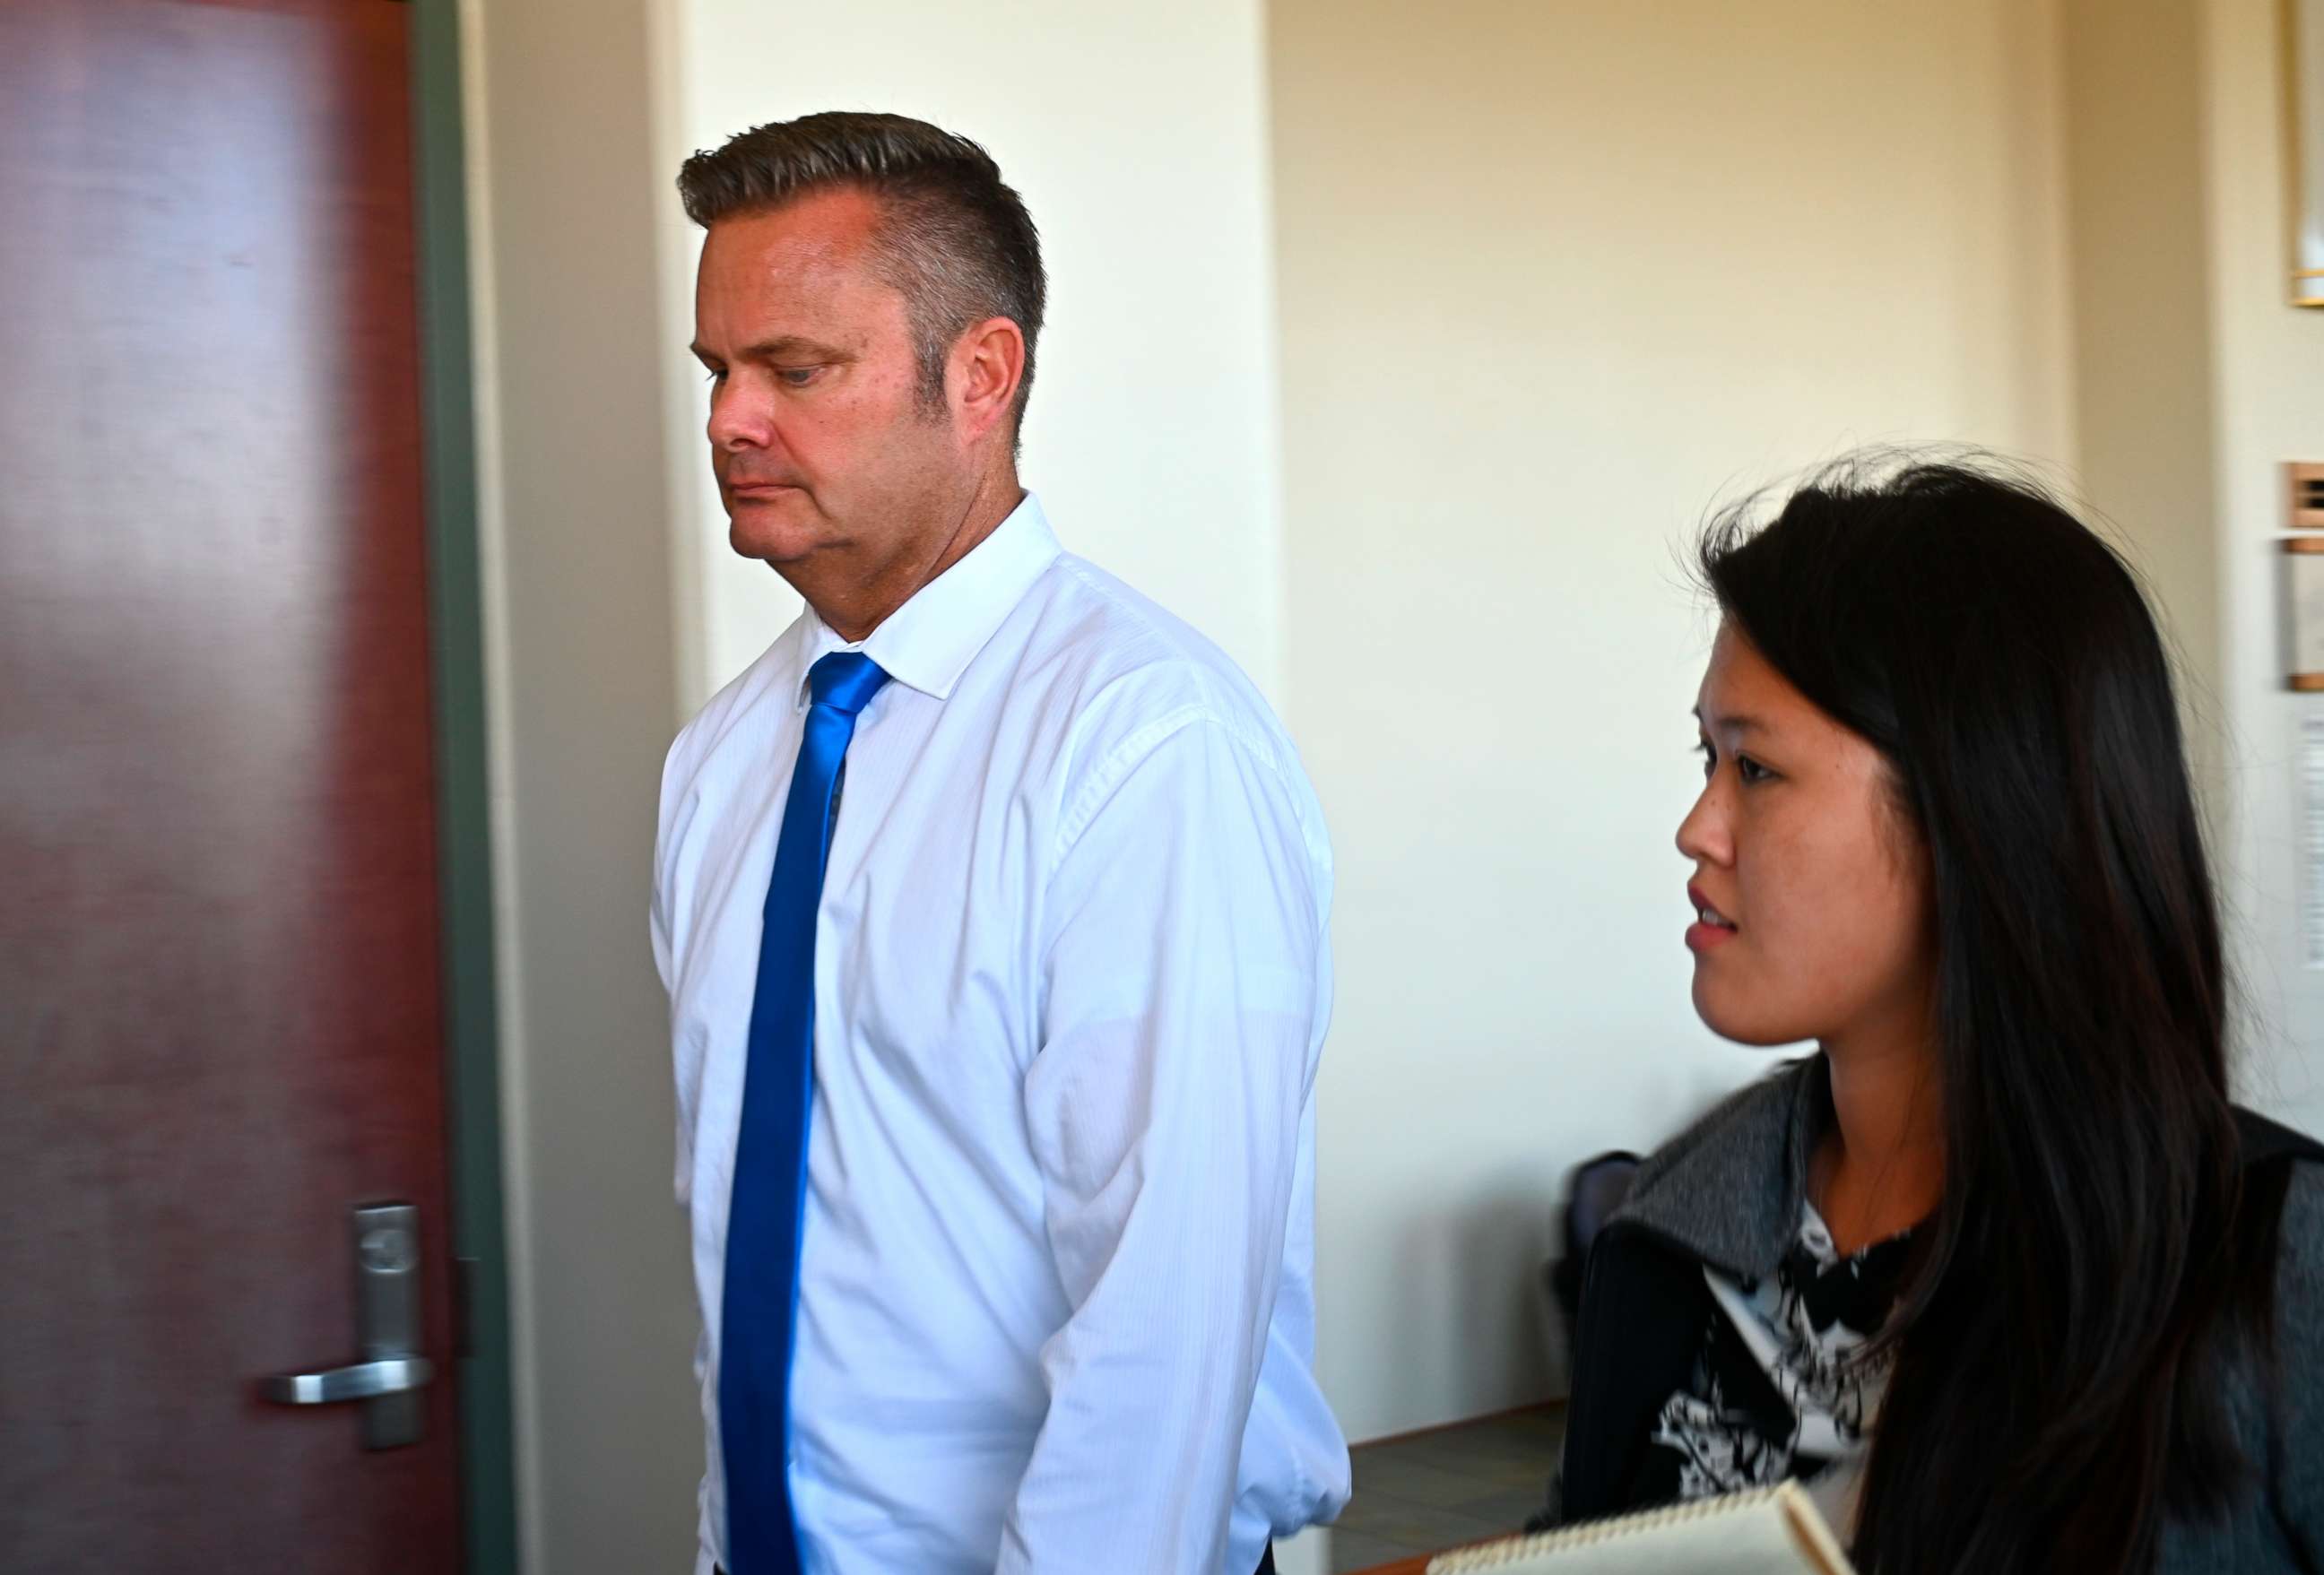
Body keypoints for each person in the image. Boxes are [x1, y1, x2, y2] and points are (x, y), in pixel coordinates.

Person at [649, 112, 1348, 1575]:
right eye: (719, 370)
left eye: (796, 368)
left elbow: (1162, 1327)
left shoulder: (1146, 748)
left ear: (979, 375)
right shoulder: (719, 767)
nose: (728, 420)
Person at [1555, 458, 2324, 1573]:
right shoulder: (1669, 1239)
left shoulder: (2265, 1261)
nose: (1697, 827)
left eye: (1756, 768)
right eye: (1705, 757)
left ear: (1975, 811)